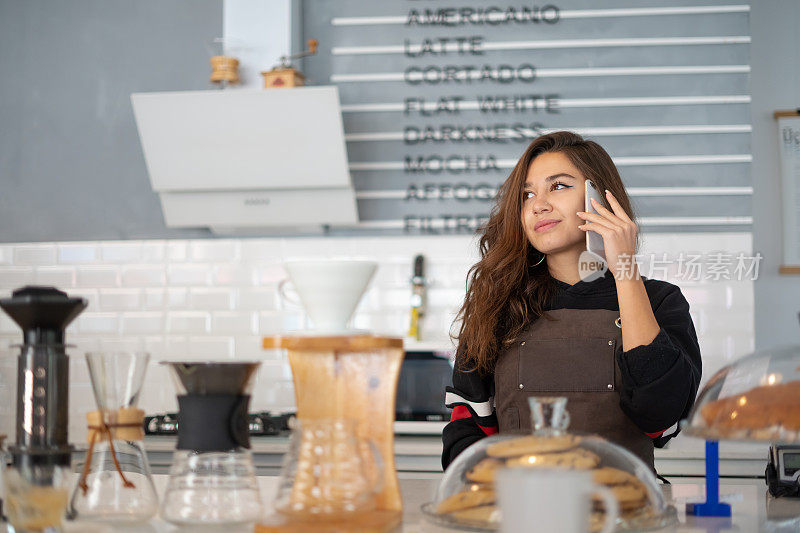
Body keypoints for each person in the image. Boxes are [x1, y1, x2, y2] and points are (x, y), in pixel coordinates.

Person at [441, 131, 702, 473]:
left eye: (559, 186)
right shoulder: (495, 306)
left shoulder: (658, 300)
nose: (538, 204)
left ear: (600, 197)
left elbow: (662, 419)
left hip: (624, 512)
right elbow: (465, 433)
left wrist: (624, 269)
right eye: (527, 194)